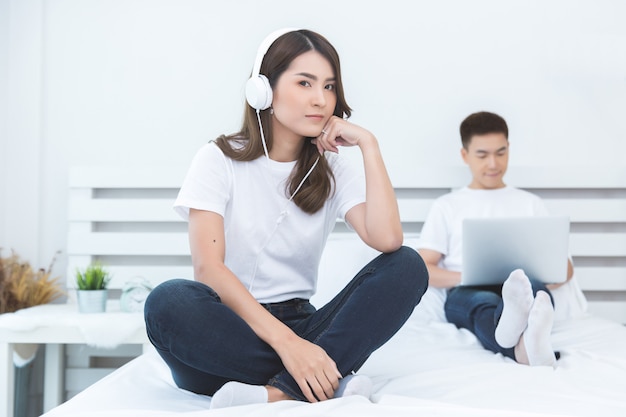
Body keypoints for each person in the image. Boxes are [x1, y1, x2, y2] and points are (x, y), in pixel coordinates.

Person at [144, 28, 428, 409]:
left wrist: (368, 145)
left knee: (408, 265)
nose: (320, 99)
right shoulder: (217, 160)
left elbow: (388, 240)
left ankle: (277, 392)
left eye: (329, 87)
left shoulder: (332, 168)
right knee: (168, 301)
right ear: (263, 90)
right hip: (225, 332)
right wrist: (291, 347)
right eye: (305, 83)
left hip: (303, 323)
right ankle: (326, 376)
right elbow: (208, 270)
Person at [417, 111, 574, 367]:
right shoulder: (446, 206)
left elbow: (564, 270)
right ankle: (523, 336)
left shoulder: (531, 204)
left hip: (524, 286)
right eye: (482, 155)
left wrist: (547, 274)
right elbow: (424, 267)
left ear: (509, 149)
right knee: (483, 303)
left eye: (501, 153)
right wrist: (467, 277)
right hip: (468, 290)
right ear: (465, 155)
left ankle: (521, 344)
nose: (493, 163)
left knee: (536, 292)